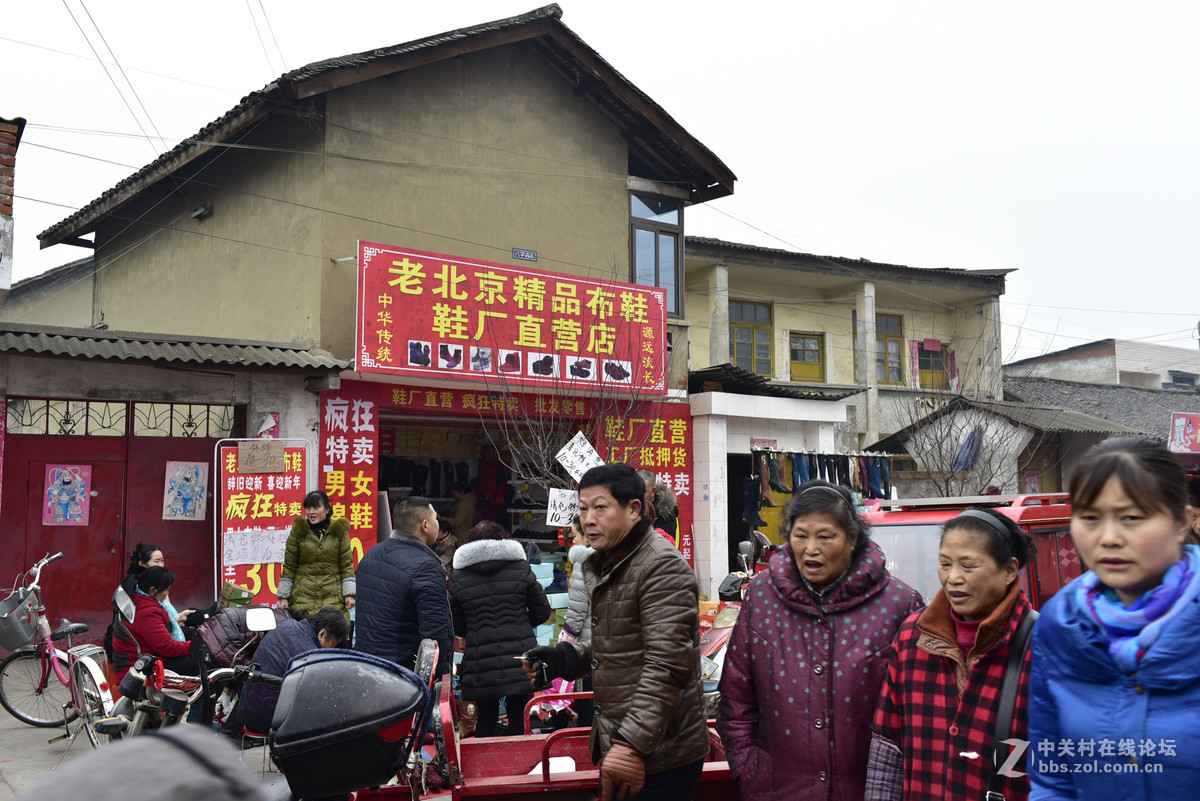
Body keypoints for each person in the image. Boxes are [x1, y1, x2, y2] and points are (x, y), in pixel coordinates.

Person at [717, 480, 922, 800]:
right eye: (801, 536)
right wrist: (752, 773)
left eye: (825, 537)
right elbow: (737, 700)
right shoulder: (762, 597)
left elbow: (920, 715)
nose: (811, 548)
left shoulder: (899, 604)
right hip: (780, 791)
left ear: (852, 539)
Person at [523, 463, 709, 801]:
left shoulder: (660, 566)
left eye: (600, 507)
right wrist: (564, 660)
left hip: (659, 751)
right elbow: (620, 645)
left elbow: (667, 666)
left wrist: (630, 744)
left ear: (634, 509)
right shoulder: (614, 562)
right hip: (626, 740)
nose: (588, 519)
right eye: (582, 509)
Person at [1028, 437, 1200, 799]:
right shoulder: (1058, 624)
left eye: (1131, 518)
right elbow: (1052, 776)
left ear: (1183, 521)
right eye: (1089, 518)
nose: (1108, 538)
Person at [866, 506, 1037, 801]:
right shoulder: (912, 638)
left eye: (968, 566)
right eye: (945, 564)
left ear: (1009, 570)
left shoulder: (1046, 646)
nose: (953, 578)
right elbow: (887, 750)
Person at [450, 520, 551, 737]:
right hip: (520, 655)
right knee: (519, 714)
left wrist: (477, 631)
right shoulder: (520, 567)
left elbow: (458, 625)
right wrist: (522, 624)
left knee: (485, 716)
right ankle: (525, 766)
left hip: (480, 658)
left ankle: (484, 768)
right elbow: (542, 611)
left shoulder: (459, 576)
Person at [355, 496, 453, 678]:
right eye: (435, 519)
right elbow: (435, 637)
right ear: (425, 525)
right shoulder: (426, 567)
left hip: (368, 669)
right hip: (403, 678)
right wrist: (439, 682)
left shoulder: (372, 554)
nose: (437, 523)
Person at [238, 606, 349, 732]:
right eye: (334, 644)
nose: (333, 649)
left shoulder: (288, 624)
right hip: (269, 717)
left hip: (248, 707)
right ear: (322, 633)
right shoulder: (309, 654)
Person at [277, 490, 356, 617]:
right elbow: (289, 567)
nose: (311, 512)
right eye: (308, 508)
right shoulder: (299, 531)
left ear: (327, 509)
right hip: (303, 598)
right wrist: (284, 597)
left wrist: (349, 594)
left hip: (333, 597)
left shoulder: (338, 531)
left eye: (316, 507)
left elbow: (346, 564)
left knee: (332, 633)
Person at [112, 566, 196, 681]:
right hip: (140, 669)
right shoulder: (147, 613)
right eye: (166, 590)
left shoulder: (138, 596)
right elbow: (168, 647)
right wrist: (197, 645)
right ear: (152, 590)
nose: (167, 594)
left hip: (149, 655)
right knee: (201, 657)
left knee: (189, 634)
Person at [562, 516, 595, 727]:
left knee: (587, 699)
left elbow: (577, 610)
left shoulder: (583, 564)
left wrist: (565, 642)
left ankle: (586, 740)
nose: (572, 540)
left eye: (575, 535)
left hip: (586, 644)